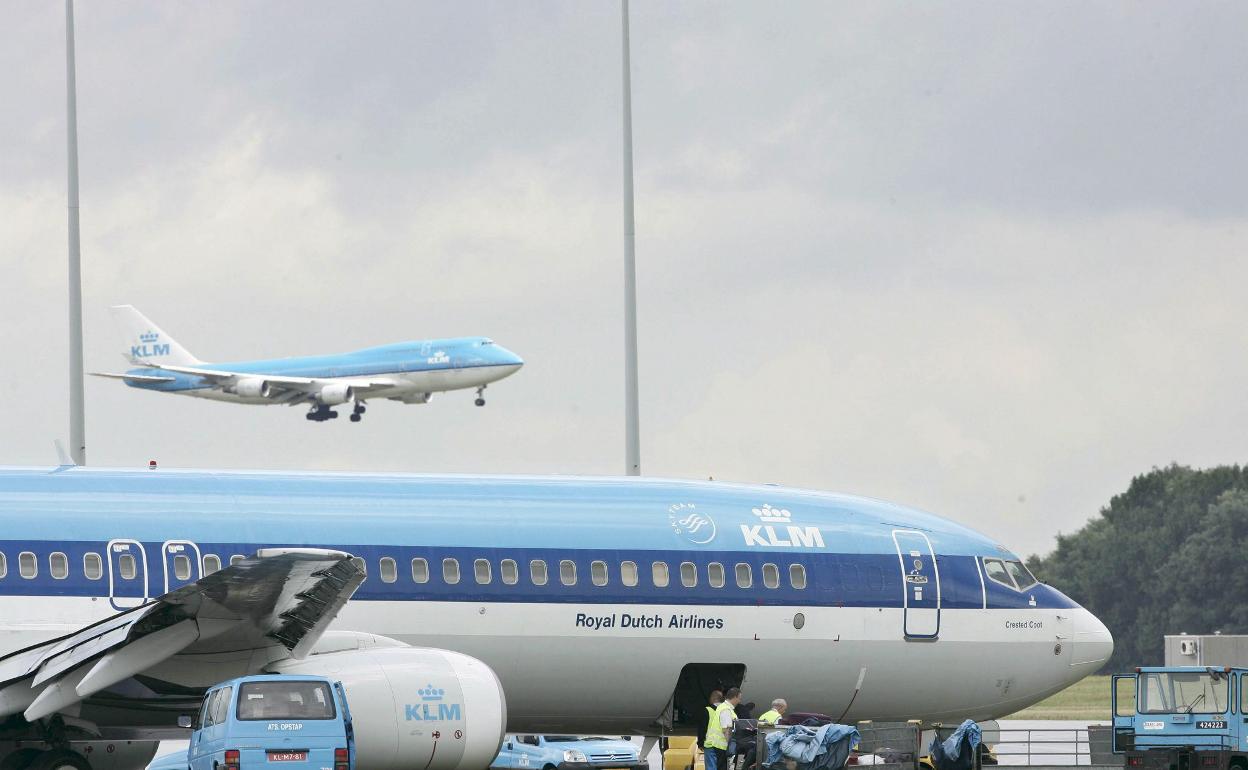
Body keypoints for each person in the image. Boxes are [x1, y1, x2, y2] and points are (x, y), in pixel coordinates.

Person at [706, 687, 741, 770]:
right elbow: (726, 730)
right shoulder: (726, 709)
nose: (740, 701)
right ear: (735, 697)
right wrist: (730, 746)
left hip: (717, 744)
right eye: (739, 698)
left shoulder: (723, 707)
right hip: (721, 745)